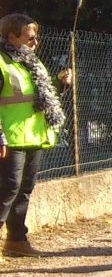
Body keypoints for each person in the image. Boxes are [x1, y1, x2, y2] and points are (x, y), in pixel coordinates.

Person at [0, 14, 69, 260]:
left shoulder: (31, 62)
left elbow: (37, 95)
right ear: (11, 37)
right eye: (30, 38)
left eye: (36, 37)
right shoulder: (1, 62)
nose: (36, 43)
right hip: (9, 138)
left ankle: (16, 240)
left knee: (24, 190)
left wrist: (58, 83)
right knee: (7, 190)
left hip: (33, 135)